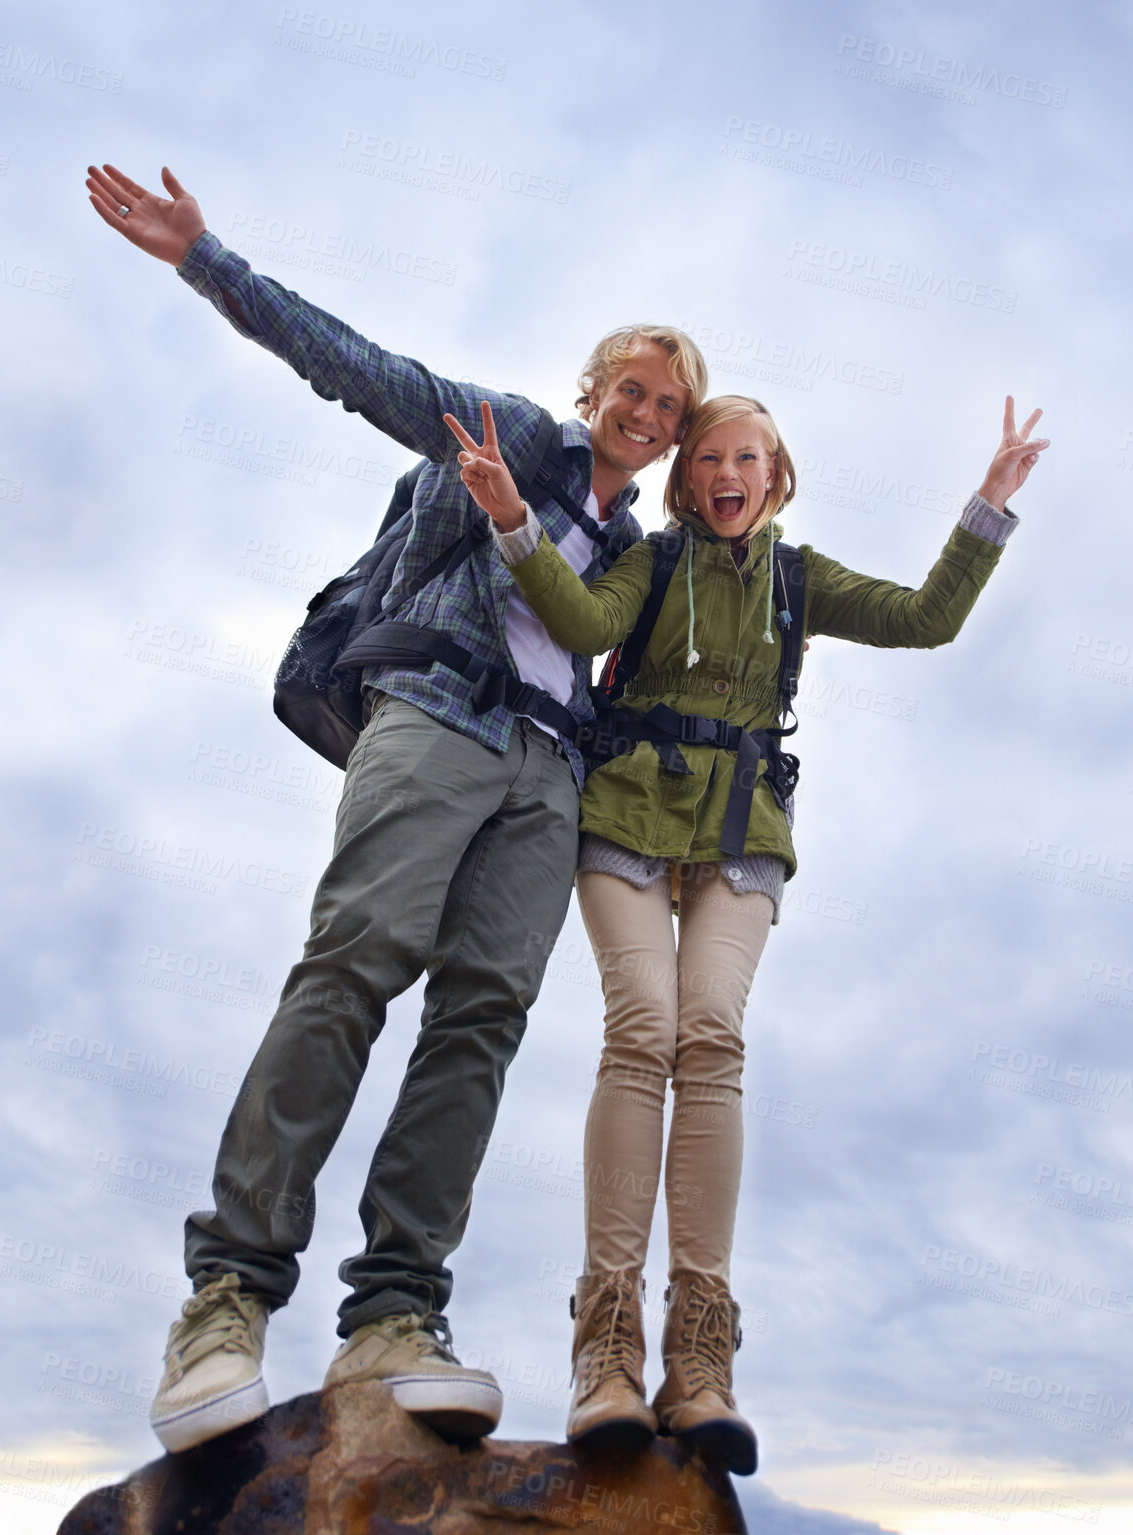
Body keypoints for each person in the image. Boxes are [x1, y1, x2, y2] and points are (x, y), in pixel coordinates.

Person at [84, 163, 710, 1452]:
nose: (646, 411)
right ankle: (228, 1295)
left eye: (670, 404)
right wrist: (210, 262)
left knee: (482, 1017)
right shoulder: (505, 431)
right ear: (593, 390)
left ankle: (394, 1314)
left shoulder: (638, 554)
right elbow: (357, 367)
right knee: (353, 963)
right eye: (631, 388)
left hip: (549, 773)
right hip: (437, 716)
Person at [444, 392, 1047, 1471]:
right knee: (643, 1030)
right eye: (711, 457)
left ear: (776, 474)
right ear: (690, 480)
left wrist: (988, 503)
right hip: (625, 816)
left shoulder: (796, 580)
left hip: (738, 833)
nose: (729, 472)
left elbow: (924, 615)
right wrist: (511, 520)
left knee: (710, 1036)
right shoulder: (655, 564)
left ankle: (700, 1358)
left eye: (749, 457)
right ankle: (607, 1352)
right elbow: (582, 626)